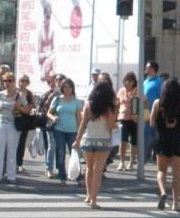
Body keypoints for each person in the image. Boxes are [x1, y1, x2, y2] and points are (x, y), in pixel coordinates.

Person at [149, 77, 180, 212]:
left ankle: (163, 192)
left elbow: (151, 122)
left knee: (161, 171)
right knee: (176, 173)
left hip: (162, 139)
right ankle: (175, 203)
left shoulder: (157, 103)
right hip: (176, 139)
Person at [74, 78, 118, 208]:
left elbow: (83, 124)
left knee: (89, 168)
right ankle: (94, 200)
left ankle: (88, 196)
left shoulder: (88, 104)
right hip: (103, 141)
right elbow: (111, 125)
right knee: (98, 171)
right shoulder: (109, 107)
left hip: (88, 139)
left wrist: (77, 140)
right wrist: (114, 124)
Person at [48, 77, 82, 186]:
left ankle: (78, 177)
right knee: (61, 153)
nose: (67, 89)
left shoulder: (76, 101)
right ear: (62, 88)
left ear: (73, 88)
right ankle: (62, 177)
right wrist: (53, 118)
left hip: (72, 131)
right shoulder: (57, 99)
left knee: (74, 154)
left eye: (69, 87)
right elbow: (48, 112)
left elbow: (79, 118)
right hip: (59, 130)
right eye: (65, 87)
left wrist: (80, 132)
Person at [0, 73, 20, 184]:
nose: (7, 83)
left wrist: (19, 107)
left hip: (13, 124)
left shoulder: (19, 95)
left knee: (12, 150)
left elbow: (30, 110)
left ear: (14, 81)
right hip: (0, 124)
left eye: (9, 80)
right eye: (5, 81)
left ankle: (11, 176)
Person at [13, 74, 38, 173]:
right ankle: (12, 163)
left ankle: (19, 164)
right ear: (18, 82)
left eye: (26, 81)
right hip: (15, 119)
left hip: (26, 121)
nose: (24, 83)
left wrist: (32, 117)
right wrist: (24, 109)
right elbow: (13, 106)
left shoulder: (29, 93)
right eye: (22, 81)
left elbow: (34, 108)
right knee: (14, 143)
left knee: (22, 143)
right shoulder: (15, 92)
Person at [116, 71, 138, 171]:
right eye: (126, 80)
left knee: (134, 142)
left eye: (130, 81)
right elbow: (116, 103)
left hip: (135, 120)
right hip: (123, 119)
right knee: (123, 140)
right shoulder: (121, 91)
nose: (128, 82)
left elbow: (144, 102)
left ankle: (131, 162)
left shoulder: (138, 91)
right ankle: (122, 162)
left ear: (134, 82)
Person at [143, 61, 162, 161]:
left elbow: (161, 98)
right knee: (146, 135)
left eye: (147, 67)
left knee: (155, 135)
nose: (145, 69)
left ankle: (156, 153)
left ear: (153, 69)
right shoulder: (145, 81)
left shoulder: (159, 82)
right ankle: (144, 158)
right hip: (145, 113)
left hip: (156, 114)